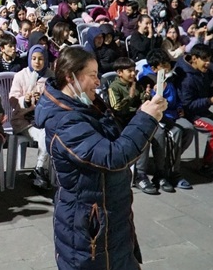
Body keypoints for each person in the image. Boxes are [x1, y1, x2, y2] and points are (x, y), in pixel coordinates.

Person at [34, 47, 165, 269]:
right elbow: (112, 157)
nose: (98, 83)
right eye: (93, 75)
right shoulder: (65, 121)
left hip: (111, 221)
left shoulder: (87, 107)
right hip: (89, 231)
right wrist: (146, 119)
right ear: (70, 77)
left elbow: (116, 140)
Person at [174, 44, 213, 181]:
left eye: (209, 59)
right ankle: (207, 166)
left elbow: (205, 92)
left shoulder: (205, 72)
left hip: (201, 110)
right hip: (189, 115)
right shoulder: (186, 78)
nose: (208, 63)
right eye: (205, 60)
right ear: (194, 59)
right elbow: (187, 105)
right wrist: (208, 101)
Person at [136, 49, 195, 192]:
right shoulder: (147, 80)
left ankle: (170, 163)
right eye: (162, 65)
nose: (166, 67)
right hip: (159, 116)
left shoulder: (170, 77)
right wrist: (155, 93)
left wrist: (180, 107)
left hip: (173, 113)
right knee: (173, 133)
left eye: (167, 64)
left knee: (188, 128)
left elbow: (176, 97)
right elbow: (147, 103)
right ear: (154, 68)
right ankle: (168, 172)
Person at [9, 44, 54, 189]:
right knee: (44, 135)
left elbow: (56, 99)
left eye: (41, 59)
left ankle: (40, 169)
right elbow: (13, 101)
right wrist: (26, 100)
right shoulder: (21, 75)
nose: (37, 62)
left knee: (50, 133)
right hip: (23, 119)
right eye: (34, 58)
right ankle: (41, 170)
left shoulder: (51, 77)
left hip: (44, 118)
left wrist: (43, 97)